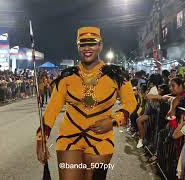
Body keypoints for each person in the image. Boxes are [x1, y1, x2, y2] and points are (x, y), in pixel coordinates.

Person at [35, 27, 137, 180]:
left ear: (100, 46)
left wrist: (113, 120)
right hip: (69, 139)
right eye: (83, 44)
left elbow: (130, 102)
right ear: (78, 47)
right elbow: (52, 110)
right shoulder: (67, 77)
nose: (87, 48)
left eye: (92, 43)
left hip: (101, 140)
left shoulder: (117, 75)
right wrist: (40, 139)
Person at [136, 73, 163, 148]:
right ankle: (142, 139)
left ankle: (142, 139)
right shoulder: (154, 87)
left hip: (153, 112)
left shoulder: (155, 88)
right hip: (151, 110)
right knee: (141, 122)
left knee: (139, 121)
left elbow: (148, 97)